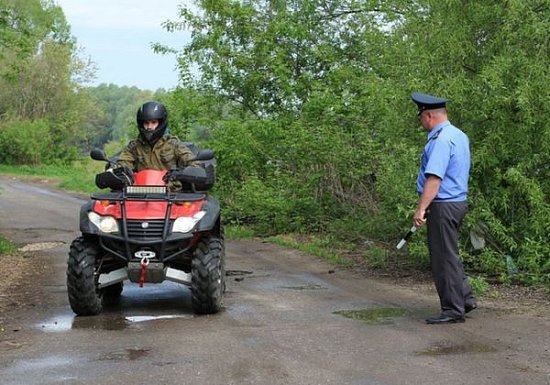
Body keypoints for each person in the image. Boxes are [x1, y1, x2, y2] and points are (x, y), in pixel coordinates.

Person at [411, 91, 477, 325]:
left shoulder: (440, 140)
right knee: (450, 255)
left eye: (420, 117)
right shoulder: (459, 135)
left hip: (443, 205)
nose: (421, 122)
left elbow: (434, 179)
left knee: (442, 259)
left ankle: (452, 310)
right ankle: (465, 299)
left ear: (428, 116)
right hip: (457, 202)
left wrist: (421, 209)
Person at [117, 101, 198, 186]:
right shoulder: (134, 147)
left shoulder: (174, 145)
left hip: (170, 193)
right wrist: (114, 170)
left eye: (153, 122)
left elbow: (193, 164)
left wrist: (180, 173)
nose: (149, 127)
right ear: (141, 124)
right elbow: (123, 163)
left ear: (161, 123)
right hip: (139, 192)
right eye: (146, 123)